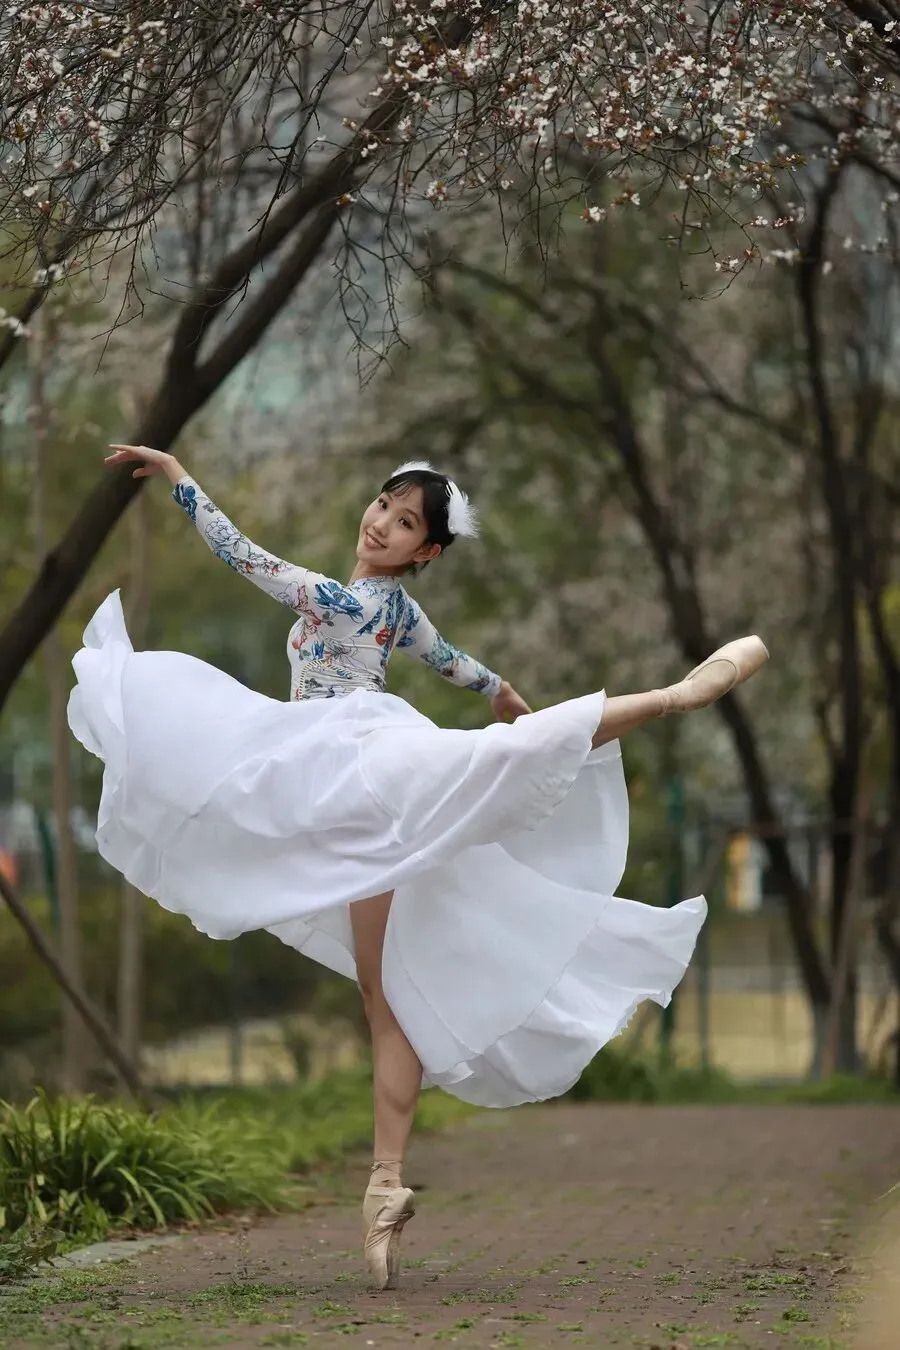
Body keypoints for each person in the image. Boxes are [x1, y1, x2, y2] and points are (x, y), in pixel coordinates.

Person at [68, 444, 768, 1292]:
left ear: (424, 550)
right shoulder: (396, 610)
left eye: (404, 524)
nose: (381, 524)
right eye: (383, 506)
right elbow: (453, 661)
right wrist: (500, 694)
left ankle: (673, 697)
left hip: (345, 771)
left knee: (227, 762)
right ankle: (384, 1184)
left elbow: (243, 554)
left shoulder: (336, 600)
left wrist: (180, 478)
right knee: (386, 992)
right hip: (365, 790)